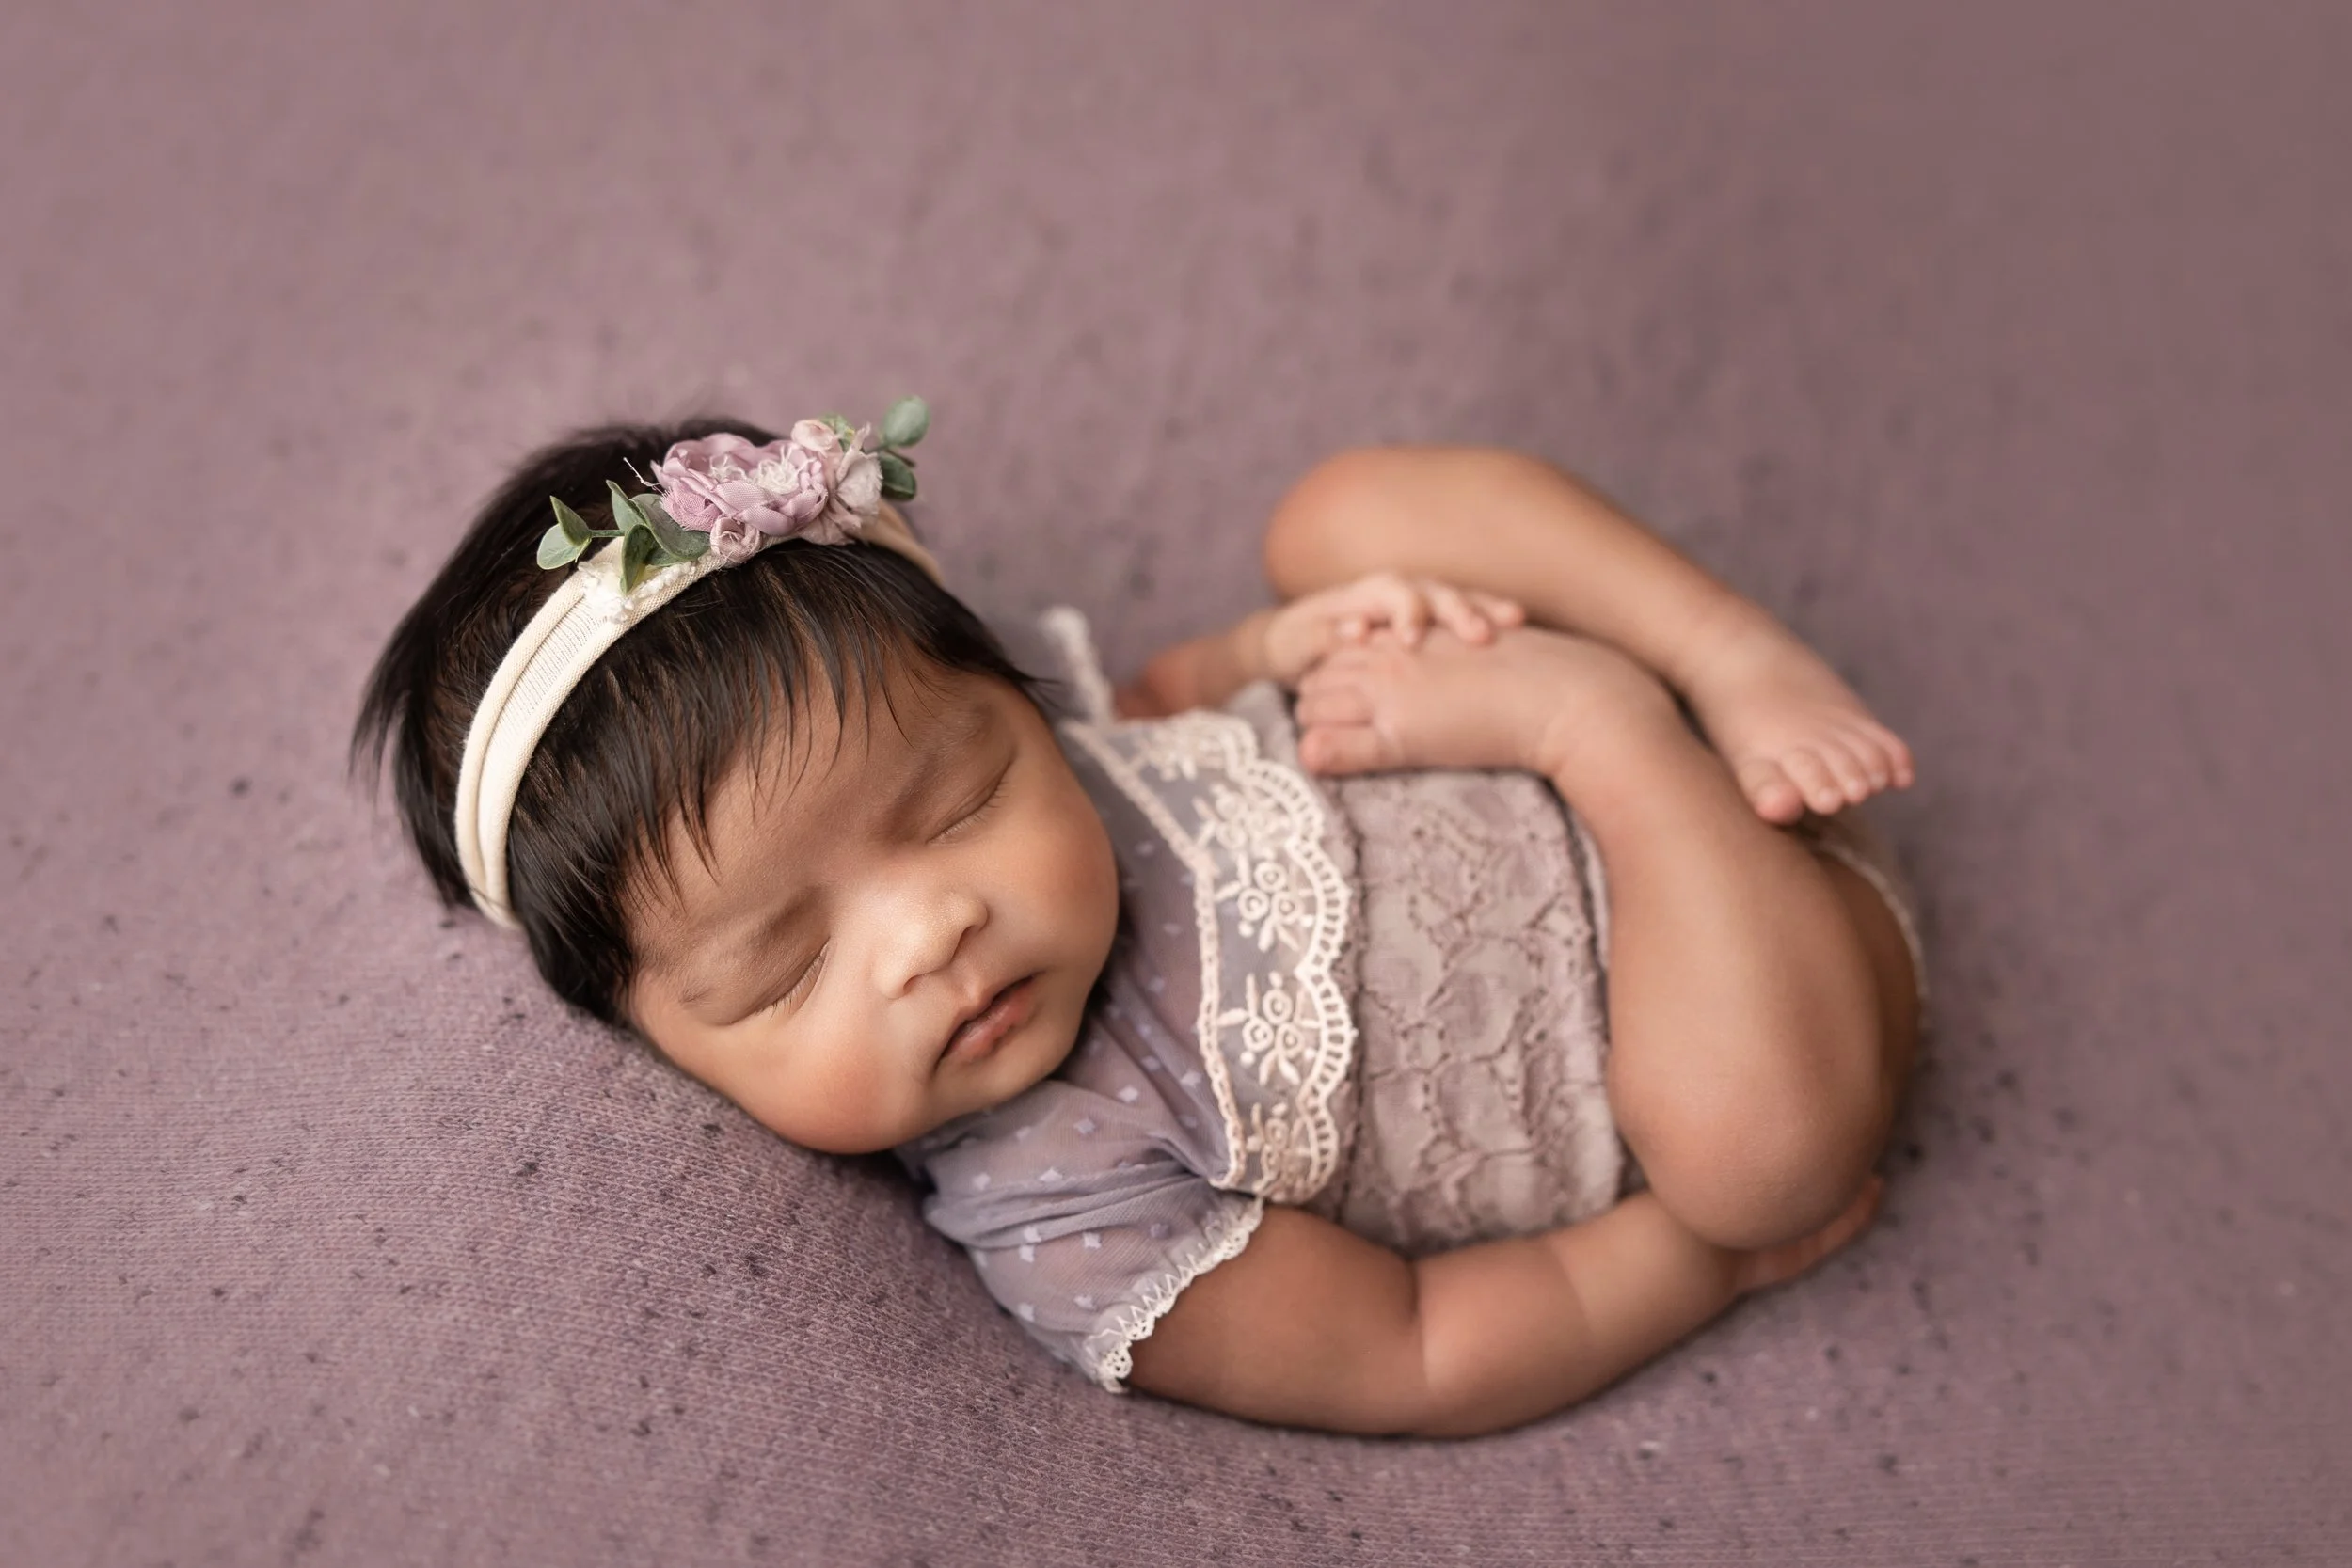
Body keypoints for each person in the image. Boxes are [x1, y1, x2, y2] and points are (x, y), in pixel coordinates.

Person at [355, 403, 1925, 1436]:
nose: (930, 933)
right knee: (1755, 1155)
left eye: (960, 799)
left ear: (1009, 710)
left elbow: (1169, 696)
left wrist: (1288, 633)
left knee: (1342, 509)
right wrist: (1700, 1263)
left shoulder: (1053, 733)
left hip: (1550, 731)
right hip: (1755, 993)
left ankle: (1727, 657)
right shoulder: (1068, 1210)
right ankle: (1623, 719)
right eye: (786, 965)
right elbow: (1417, 1345)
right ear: (663, 1044)